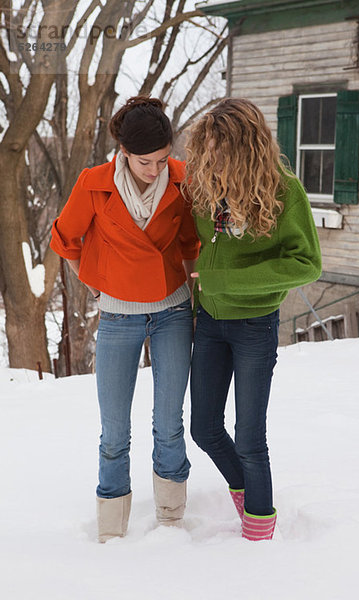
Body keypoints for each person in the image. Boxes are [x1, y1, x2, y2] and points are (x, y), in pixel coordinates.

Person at [50, 96, 199, 542]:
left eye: (163, 159)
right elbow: (64, 238)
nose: (156, 170)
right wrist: (95, 284)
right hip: (117, 317)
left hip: (172, 309)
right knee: (114, 430)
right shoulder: (94, 183)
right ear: (124, 153)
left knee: (169, 423)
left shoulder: (183, 179)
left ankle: (171, 521)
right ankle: (111, 532)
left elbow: (191, 243)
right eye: (145, 162)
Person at [183, 98, 322, 541]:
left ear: (247, 146)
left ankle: (260, 532)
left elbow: (307, 263)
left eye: (222, 148)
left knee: (249, 438)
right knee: (203, 427)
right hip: (208, 323)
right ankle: (242, 487)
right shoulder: (204, 188)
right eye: (207, 147)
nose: (213, 158)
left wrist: (225, 280)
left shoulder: (285, 191)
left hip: (254, 329)